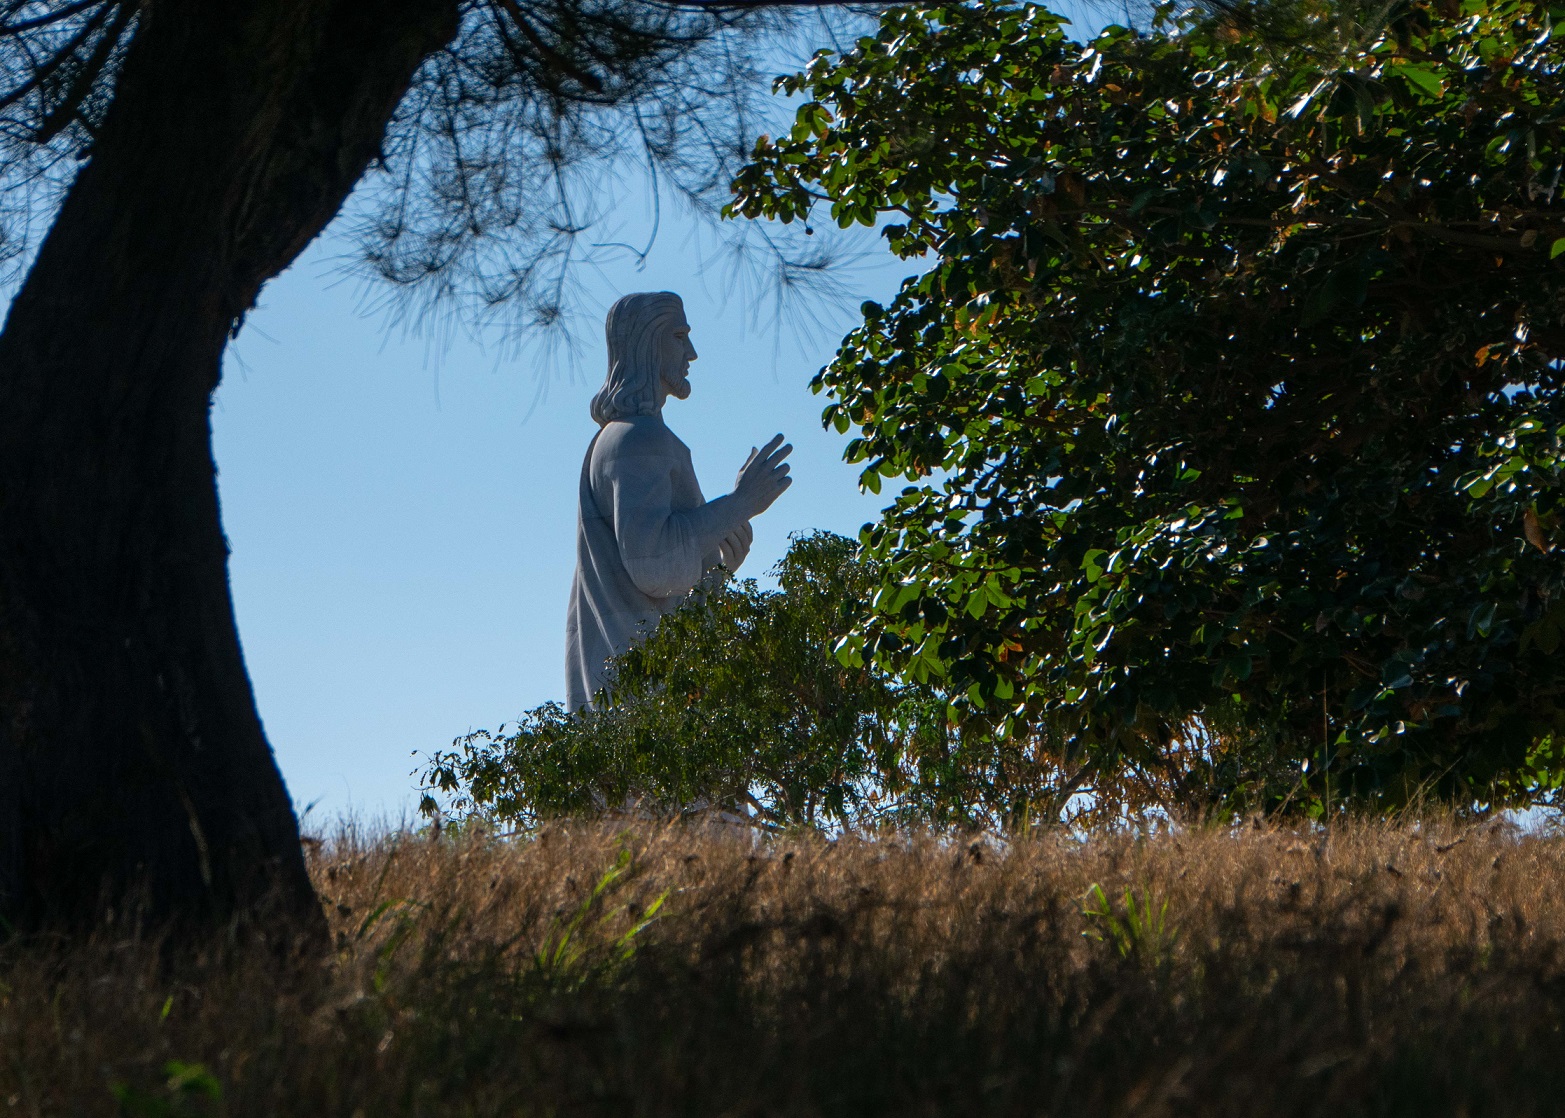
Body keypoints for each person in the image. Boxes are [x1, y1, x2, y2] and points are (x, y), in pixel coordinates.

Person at [564, 291, 792, 712]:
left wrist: (721, 560)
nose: (692, 353)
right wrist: (740, 504)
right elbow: (654, 566)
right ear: (648, 343)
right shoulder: (636, 441)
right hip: (639, 700)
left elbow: (662, 583)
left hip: (642, 689)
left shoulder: (630, 439)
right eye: (679, 336)